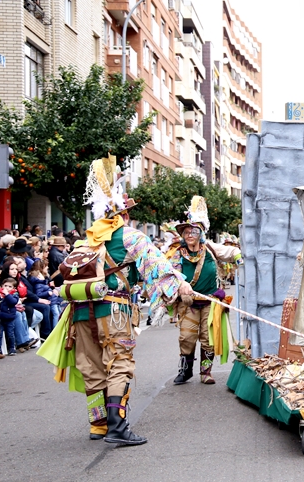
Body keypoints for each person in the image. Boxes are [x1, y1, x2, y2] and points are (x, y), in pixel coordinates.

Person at [37, 155, 193, 446]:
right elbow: (157, 266)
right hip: (114, 311)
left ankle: (99, 425)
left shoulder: (87, 240)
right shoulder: (131, 237)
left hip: (81, 312)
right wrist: (180, 286)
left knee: (91, 367)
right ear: (123, 212)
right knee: (119, 363)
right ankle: (118, 427)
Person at [166, 196, 241, 385]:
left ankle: (206, 372)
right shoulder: (177, 254)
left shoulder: (209, 249)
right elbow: (171, 275)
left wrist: (238, 257)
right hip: (189, 304)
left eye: (193, 231)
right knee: (187, 337)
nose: (189, 235)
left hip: (210, 301)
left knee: (208, 339)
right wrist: (182, 291)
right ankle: (185, 371)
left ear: (201, 234)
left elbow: (230, 252)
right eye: (186, 232)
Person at [0, 278, 20, 355]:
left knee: (10, 334)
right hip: (0, 317)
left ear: (14, 288)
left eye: (10, 286)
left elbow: (12, 302)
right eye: (5, 285)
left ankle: (11, 348)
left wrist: (7, 295)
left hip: (10, 317)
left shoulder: (14, 295)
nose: (7, 288)